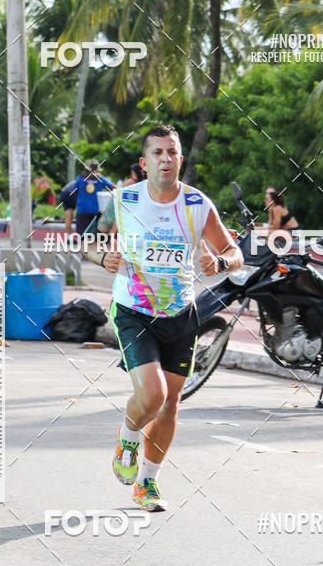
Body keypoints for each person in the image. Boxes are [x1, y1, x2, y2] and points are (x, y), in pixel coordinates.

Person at [84, 124, 243, 512]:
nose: (165, 159)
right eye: (157, 153)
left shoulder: (197, 205)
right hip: (134, 311)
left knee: (170, 404)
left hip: (180, 314)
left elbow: (235, 254)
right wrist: (102, 257)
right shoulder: (123, 200)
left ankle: (147, 483)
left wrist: (220, 262)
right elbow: (87, 242)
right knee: (152, 396)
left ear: (180, 159)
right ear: (145, 162)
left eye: (172, 152)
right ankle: (128, 437)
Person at [72, 159, 114, 239]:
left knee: (82, 236)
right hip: (97, 211)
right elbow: (113, 187)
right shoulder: (101, 179)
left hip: (82, 210)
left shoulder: (80, 179)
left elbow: (73, 192)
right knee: (96, 237)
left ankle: (83, 246)